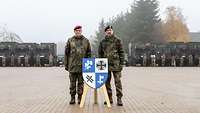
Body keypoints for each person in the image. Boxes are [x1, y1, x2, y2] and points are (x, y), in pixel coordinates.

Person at [64, 25, 91, 104]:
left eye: (79, 30)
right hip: (72, 66)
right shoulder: (70, 40)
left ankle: (80, 98)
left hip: (82, 67)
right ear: (74, 31)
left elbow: (89, 54)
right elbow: (66, 54)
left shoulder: (86, 41)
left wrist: (88, 66)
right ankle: (72, 98)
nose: (78, 32)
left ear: (81, 31)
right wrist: (66, 65)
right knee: (72, 84)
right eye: (77, 30)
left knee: (80, 83)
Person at [98, 25, 124, 106]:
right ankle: (109, 98)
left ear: (112, 31)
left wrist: (121, 64)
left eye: (110, 30)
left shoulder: (117, 40)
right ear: (105, 32)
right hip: (106, 65)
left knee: (118, 82)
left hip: (116, 65)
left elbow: (121, 52)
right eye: (107, 30)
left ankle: (119, 99)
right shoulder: (102, 42)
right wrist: (101, 66)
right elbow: (100, 54)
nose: (109, 31)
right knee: (106, 83)